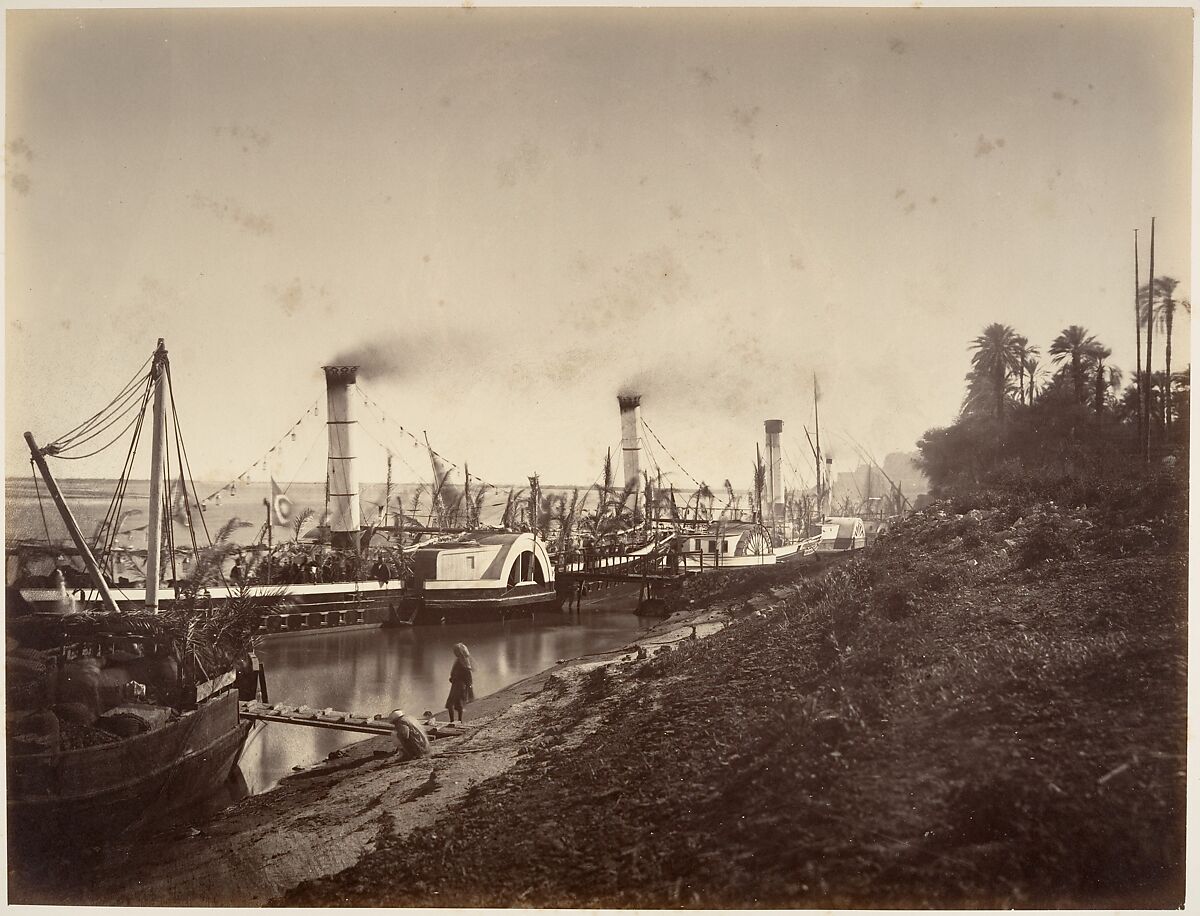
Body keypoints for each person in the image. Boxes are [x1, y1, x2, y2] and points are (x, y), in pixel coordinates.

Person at [445, 643, 475, 724]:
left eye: (455, 651)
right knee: (457, 703)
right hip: (459, 685)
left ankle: (454, 721)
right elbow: (467, 675)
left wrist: (469, 687)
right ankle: (458, 720)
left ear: (459, 652)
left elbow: (467, 675)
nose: (454, 653)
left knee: (451, 703)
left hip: (459, 685)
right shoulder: (463, 660)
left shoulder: (461, 661)